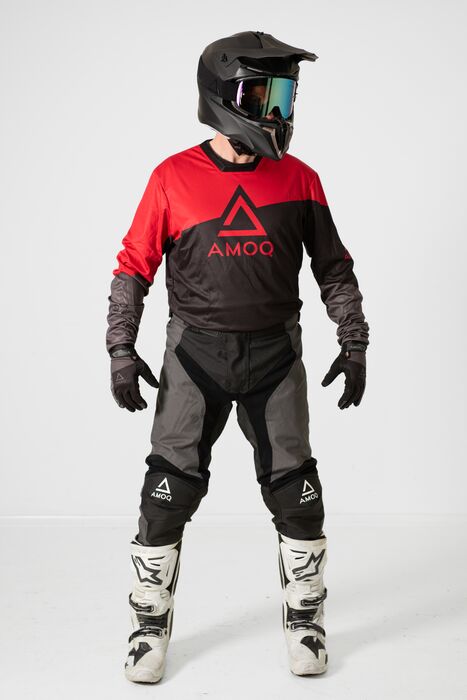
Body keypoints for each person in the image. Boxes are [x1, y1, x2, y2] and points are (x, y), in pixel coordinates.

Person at [106, 30, 369, 684]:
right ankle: (147, 626)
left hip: (275, 359)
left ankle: (306, 620)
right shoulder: (171, 178)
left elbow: (333, 268)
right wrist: (120, 348)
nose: (276, 113)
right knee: (166, 494)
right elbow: (133, 267)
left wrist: (353, 339)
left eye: (284, 97)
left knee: (297, 494)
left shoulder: (300, 179)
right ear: (222, 98)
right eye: (261, 96)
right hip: (195, 358)